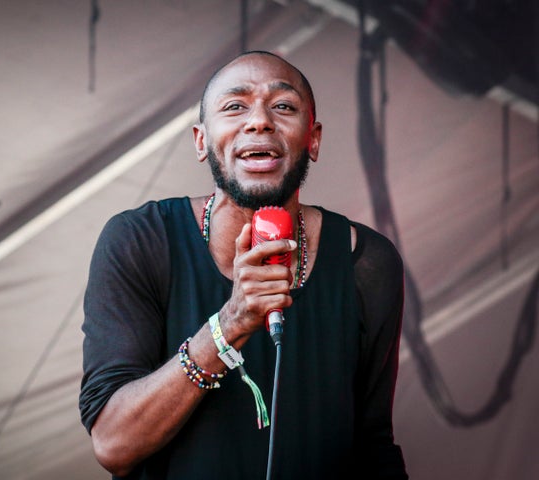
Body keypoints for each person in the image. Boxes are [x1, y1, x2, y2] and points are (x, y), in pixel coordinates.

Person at [79, 51, 408, 479]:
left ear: (314, 139)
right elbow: (114, 443)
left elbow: (372, 444)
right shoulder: (140, 240)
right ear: (201, 141)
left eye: (284, 107)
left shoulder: (367, 263)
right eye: (234, 106)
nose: (259, 122)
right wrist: (229, 325)